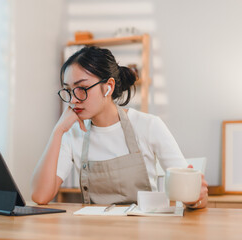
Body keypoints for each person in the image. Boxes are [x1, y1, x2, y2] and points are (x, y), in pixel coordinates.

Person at [31, 46, 208, 208]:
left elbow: (193, 194)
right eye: (68, 90)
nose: (73, 100)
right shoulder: (72, 133)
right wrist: (58, 131)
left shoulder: (148, 125)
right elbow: (40, 196)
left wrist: (195, 199)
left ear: (108, 87)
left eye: (82, 88)